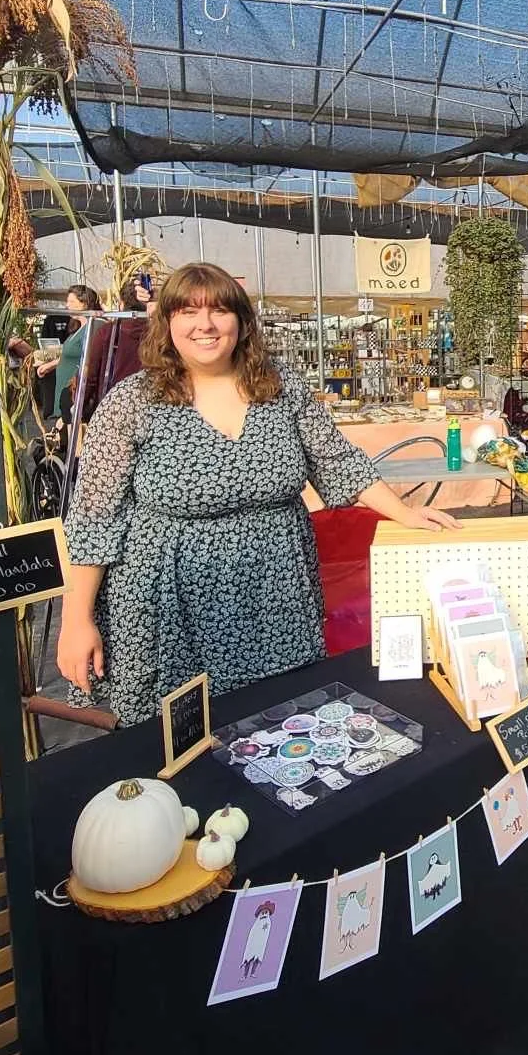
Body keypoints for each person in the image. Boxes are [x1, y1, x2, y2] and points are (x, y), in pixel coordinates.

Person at [57, 261, 460, 724]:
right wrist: (76, 618)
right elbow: (94, 516)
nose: (204, 325)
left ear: (242, 323)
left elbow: (335, 459)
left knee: (278, 725)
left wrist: (404, 513)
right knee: (180, 740)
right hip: (168, 605)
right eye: (188, 312)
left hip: (275, 595)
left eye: (219, 311)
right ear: (166, 322)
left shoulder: (280, 389)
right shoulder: (132, 401)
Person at [32, 285, 103, 419]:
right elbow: (68, 354)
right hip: (64, 389)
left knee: (71, 430)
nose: (67, 305)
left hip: (74, 390)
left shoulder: (93, 326)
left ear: (84, 304)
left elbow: (90, 358)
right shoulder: (77, 328)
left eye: (71, 302)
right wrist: (49, 366)